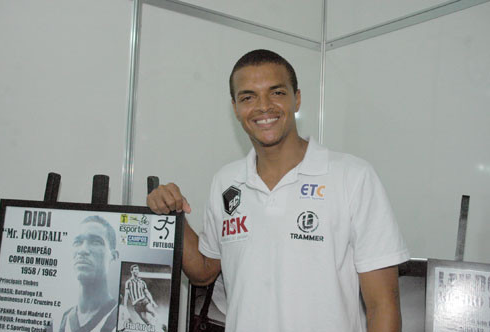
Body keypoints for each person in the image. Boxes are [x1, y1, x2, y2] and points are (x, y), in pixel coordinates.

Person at [147, 49, 410, 332]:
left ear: (296, 98)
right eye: (248, 97)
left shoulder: (353, 177)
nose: (264, 107)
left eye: (276, 93)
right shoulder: (226, 181)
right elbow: (203, 272)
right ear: (235, 107)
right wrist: (172, 213)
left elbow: (383, 305)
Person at [59, 216, 119, 332]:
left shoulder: (124, 321)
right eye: (78, 242)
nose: (83, 250)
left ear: (113, 256)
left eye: (96, 242)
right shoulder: (57, 322)